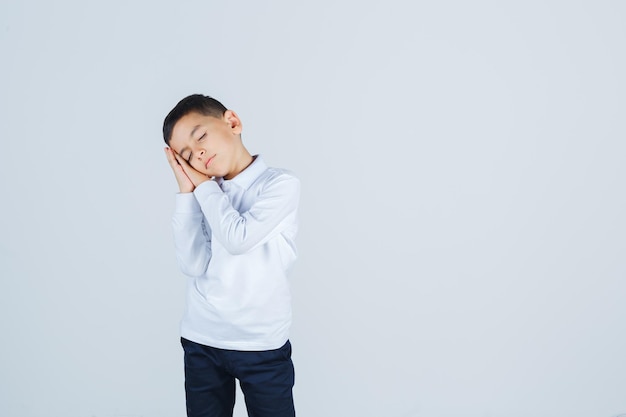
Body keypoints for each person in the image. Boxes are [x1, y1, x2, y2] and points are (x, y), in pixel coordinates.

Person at [162, 94, 300, 417]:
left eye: (201, 137)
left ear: (232, 123)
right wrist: (187, 191)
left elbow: (238, 237)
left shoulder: (280, 185)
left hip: (261, 345)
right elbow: (192, 263)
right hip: (202, 339)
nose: (198, 154)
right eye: (185, 156)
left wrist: (203, 188)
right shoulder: (206, 193)